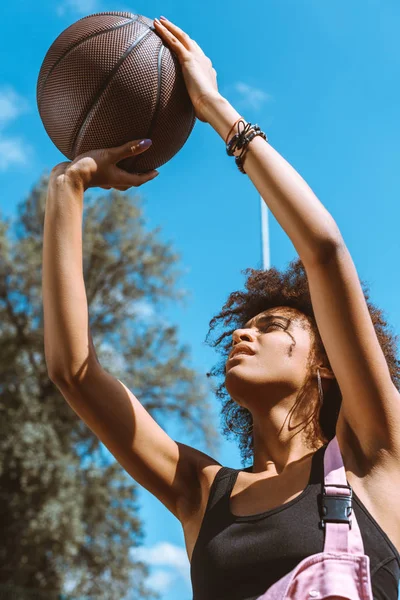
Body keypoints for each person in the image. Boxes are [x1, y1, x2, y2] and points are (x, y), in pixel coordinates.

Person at [42, 16, 400, 600]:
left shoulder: (372, 457)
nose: (243, 335)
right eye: (242, 326)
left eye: (272, 326)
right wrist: (68, 190)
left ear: (325, 363)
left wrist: (216, 110)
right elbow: (73, 372)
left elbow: (325, 253)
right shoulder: (200, 493)